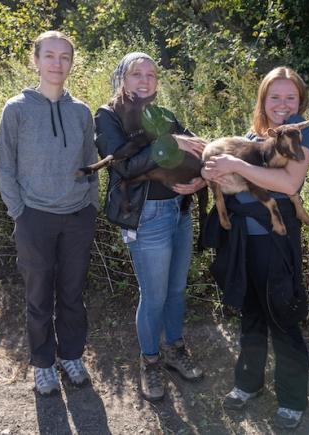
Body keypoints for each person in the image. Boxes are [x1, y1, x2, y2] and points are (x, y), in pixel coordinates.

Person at [202, 66, 309, 430]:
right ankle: (248, 383)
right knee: (250, 312)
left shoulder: (299, 132)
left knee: (281, 313)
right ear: (263, 100)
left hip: (275, 242)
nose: (282, 105)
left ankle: (293, 399)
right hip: (243, 241)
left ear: (300, 102)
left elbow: (288, 181)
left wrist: (233, 164)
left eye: (290, 98)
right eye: (274, 97)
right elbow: (226, 175)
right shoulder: (254, 136)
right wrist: (210, 171)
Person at [94, 52, 206, 402]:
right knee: (154, 296)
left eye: (151, 75)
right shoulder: (108, 116)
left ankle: (174, 350)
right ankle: (150, 361)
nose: (144, 81)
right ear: (122, 79)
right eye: (136, 74)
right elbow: (122, 166)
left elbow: (200, 150)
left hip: (179, 211)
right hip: (146, 216)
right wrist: (172, 143)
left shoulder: (163, 115)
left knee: (175, 291)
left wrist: (202, 180)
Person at [0, 30, 98, 396]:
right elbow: (5, 167)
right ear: (35, 61)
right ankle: (42, 364)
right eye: (50, 56)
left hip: (77, 217)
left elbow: (91, 161)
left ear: (71, 63)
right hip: (34, 218)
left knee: (72, 294)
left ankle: (71, 355)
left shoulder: (81, 111)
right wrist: (19, 212)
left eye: (65, 57)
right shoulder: (17, 109)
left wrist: (91, 205)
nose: (57, 64)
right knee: (38, 298)